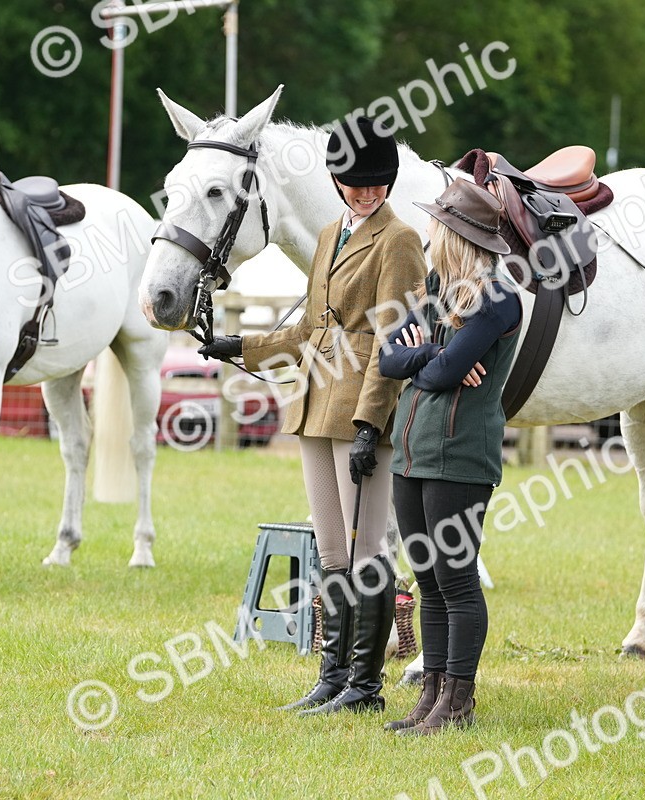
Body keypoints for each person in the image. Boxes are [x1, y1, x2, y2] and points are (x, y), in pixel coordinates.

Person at [199, 117, 426, 714]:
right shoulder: (329, 235)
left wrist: (371, 422)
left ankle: (366, 687)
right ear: (335, 179)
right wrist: (242, 346)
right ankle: (333, 675)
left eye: (377, 185)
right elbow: (308, 328)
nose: (367, 194)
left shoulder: (399, 240)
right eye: (356, 184)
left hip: (359, 413)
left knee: (366, 551)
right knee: (331, 551)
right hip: (312, 404)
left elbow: (392, 336)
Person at [377, 178, 520, 736]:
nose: (431, 234)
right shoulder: (432, 288)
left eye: (438, 226)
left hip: (460, 456)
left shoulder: (497, 299)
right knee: (427, 579)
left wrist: (427, 358)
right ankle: (431, 693)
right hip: (410, 453)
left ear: (456, 236)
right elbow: (390, 358)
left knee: (455, 580)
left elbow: (440, 374)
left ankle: (458, 701)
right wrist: (433, 350)